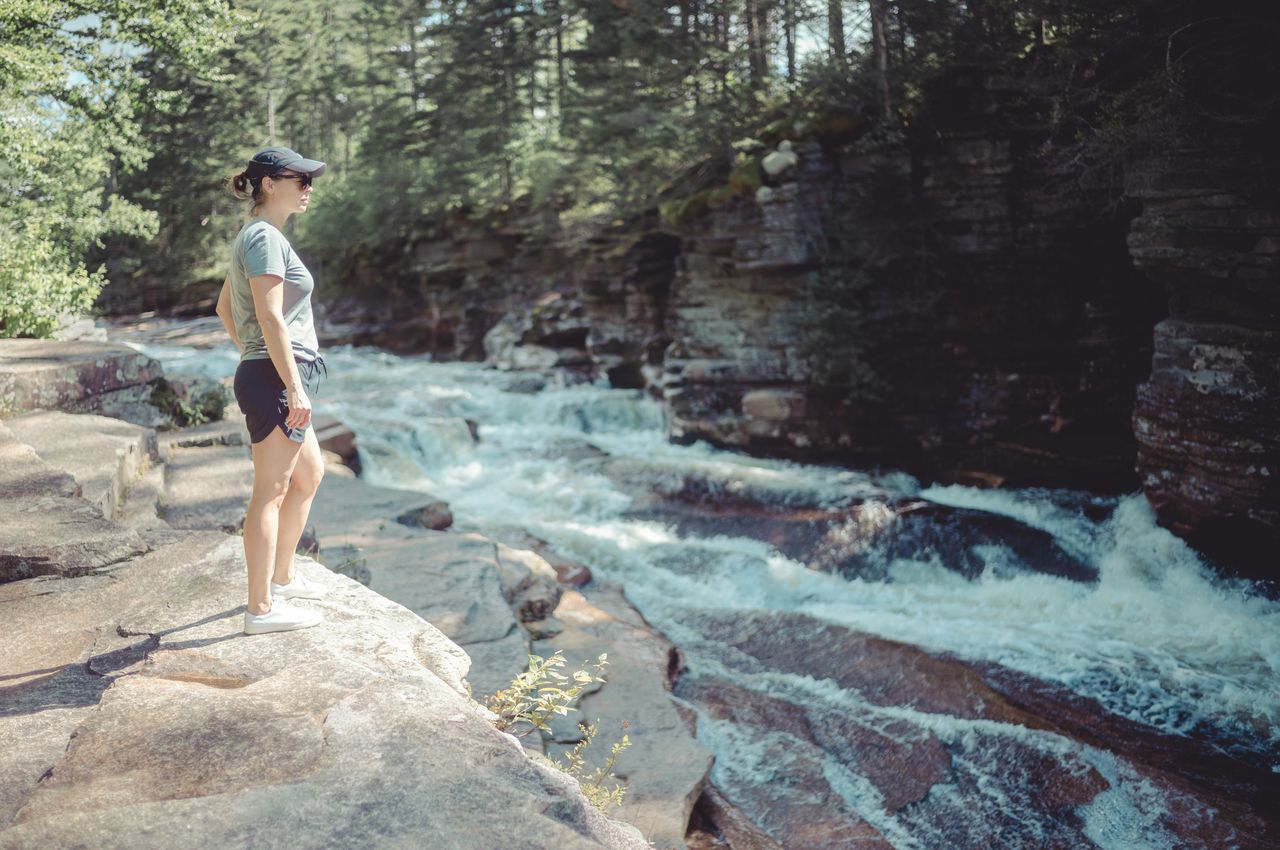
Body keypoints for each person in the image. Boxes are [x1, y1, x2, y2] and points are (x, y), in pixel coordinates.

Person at [216, 145, 331, 635]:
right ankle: (259, 610)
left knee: (309, 476)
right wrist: (283, 380)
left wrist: (256, 359)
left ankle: (282, 578)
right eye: (299, 179)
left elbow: (224, 307)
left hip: (273, 373)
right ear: (268, 184)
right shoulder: (263, 236)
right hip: (278, 378)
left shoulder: (261, 237)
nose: (308, 188)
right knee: (272, 490)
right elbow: (268, 315)